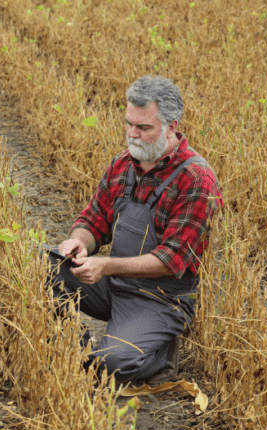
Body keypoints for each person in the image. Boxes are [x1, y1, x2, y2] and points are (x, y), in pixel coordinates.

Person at [48, 75, 222, 387]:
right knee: (37, 266)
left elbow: (172, 260)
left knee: (112, 365)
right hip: (113, 285)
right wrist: (79, 242)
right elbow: (93, 220)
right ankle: (74, 349)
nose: (132, 134)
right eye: (129, 124)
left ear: (171, 126)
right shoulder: (122, 165)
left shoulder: (196, 179)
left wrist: (106, 265)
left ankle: (157, 354)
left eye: (143, 128)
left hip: (159, 299)